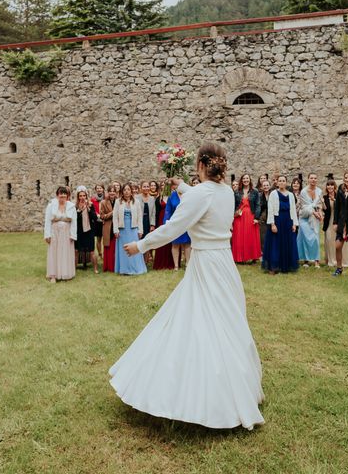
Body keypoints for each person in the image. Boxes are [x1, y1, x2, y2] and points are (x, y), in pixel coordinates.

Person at [111, 142, 264, 430]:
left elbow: (173, 227)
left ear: (201, 166)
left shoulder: (203, 194)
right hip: (224, 263)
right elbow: (201, 198)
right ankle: (238, 388)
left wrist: (141, 245)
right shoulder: (227, 193)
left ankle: (205, 396)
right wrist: (181, 186)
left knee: (199, 323)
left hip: (206, 263)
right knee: (227, 322)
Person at [262, 175, 299, 274]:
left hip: (288, 220)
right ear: (277, 183)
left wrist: (294, 224)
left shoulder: (291, 195)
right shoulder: (273, 194)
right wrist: (272, 224)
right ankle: (274, 266)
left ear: (286, 183)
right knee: (276, 243)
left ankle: (286, 266)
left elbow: (293, 210)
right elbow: (270, 210)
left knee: (288, 242)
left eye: (283, 181)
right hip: (277, 220)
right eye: (280, 181)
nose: (282, 182)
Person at [44, 186, 77, 282]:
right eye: (60, 193)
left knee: (65, 253)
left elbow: (74, 222)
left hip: (67, 233)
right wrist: (47, 235)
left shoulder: (71, 206)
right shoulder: (51, 206)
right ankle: (53, 275)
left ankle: (66, 274)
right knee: (54, 252)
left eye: (64, 193)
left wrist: (73, 235)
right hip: (55, 233)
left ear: (67, 195)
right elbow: (47, 221)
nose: (62, 195)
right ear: (57, 195)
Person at [113, 184, 147, 275]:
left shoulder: (136, 201)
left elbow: (140, 217)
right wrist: (115, 230)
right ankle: (124, 270)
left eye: (128, 189)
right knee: (124, 249)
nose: (127, 191)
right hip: (122, 229)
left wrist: (140, 230)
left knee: (135, 248)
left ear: (131, 191)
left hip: (133, 228)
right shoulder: (118, 202)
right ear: (122, 191)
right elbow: (115, 217)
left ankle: (136, 269)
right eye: (125, 190)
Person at [322, 179, 348, 268]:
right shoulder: (324, 198)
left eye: (332, 185)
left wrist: (334, 200)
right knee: (329, 240)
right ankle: (332, 260)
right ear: (326, 187)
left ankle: (343, 260)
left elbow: (343, 207)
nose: (330, 187)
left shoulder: (339, 195)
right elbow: (324, 209)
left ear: (334, 186)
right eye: (328, 185)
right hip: (328, 222)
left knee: (340, 241)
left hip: (338, 222)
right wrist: (322, 205)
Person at [232, 174, 261, 263]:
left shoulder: (255, 191)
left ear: (250, 180)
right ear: (241, 180)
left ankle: (253, 257)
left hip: (250, 215)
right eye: (244, 178)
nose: (245, 180)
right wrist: (234, 213)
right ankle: (239, 258)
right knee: (239, 236)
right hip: (239, 216)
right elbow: (233, 204)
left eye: (247, 178)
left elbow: (258, 205)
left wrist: (256, 217)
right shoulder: (237, 191)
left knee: (250, 236)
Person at [297, 174, 322, 268]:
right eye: (311, 178)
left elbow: (319, 204)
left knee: (315, 238)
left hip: (315, 218)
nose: (313, 180)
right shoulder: (303, 192)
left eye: (315, 178)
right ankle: (306, 260)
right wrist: (313, 212)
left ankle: (316, 260)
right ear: (308, 179)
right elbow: (304, 206)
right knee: (305, 238)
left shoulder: (319, 191)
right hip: (304, 217)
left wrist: (319, 213)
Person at [164, 185, 191, 270]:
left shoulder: (188, 194)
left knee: (187, 243)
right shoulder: (172, 196)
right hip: (175, 222)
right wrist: (166, 222)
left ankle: (187, 264)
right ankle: (176, 265)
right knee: (175, 244)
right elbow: (168, 210)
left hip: (186, 222)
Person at [75, 186, 99, 273]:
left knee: (92, 251)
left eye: (83, 196)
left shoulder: (90, 205)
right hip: (79, 232)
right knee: (77, 251)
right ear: (78, 197)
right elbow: (74, 219)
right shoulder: (75, 206)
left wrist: (88, 209)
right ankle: (74, 269)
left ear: (86, 196)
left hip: (89, 231)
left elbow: (95, 217)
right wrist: (79, 210)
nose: (82, 197)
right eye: (80, 196)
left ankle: (95, 268)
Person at [152, 183, 175, 270]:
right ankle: (160, 263)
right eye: (162, 185)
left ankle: (171, 263)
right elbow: (156, 212)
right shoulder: (158, 198)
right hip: (161, 220)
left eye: (165, 185)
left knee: (170, 241)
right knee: (161, 239)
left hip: (171, 220)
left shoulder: (173, 196)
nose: (164, 186)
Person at [138, 181, 156, 263]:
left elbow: (153, 213)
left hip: (148, 223)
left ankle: (145, 262)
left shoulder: (152, 199)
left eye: (147, 186)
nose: (146, 188)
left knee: (147, 242)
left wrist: (152, 225)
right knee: (139, 242)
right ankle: (139, 261)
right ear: (141, 188)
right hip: (139, 222)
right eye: (144, 187)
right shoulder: (136, 198)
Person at [100, 187, 117, 273]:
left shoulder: (119, 201)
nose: (112, 193)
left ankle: (116, 265)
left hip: (117, 227)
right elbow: (102, 216)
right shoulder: (103, 202)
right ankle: (108, 266)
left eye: (114, 191)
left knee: (116, 247)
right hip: (108, 227)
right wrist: (112, 213)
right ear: (108, 192)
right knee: (108, 247)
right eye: (110, 191)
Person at [91, 184, 105, 259]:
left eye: (100, 188)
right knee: (98, 238)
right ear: (96, 190)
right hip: (97, 221)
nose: (99, 189)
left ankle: (105, 253)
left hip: (105, 220)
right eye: (97, 188)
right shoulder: (93, 199)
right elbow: (92, 209)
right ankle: (100, 254)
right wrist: (97, 215)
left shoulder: (106, 198)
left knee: (105, 238)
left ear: (103, 189)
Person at [258, 179, 271, 255]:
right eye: (264, 185)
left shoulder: (273, 194)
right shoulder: (259, 196)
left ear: (269, 186)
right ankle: (263, 252)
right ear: (262, 187)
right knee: (262, 236)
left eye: (267, 185)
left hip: (271, 217)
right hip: (262, 218)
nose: (266, 187)